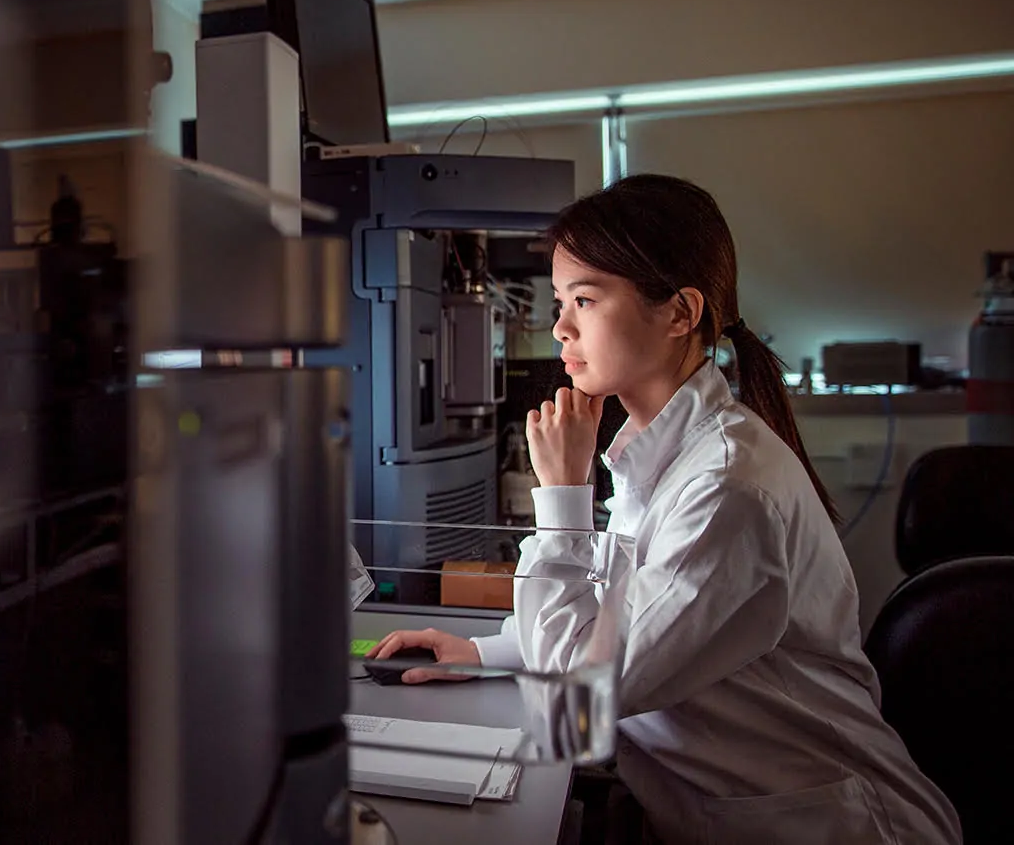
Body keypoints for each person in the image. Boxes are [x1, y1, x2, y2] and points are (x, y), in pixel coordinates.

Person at [368, 175, 960, 844]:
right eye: (561, 300)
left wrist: (561, 497)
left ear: (679, 313)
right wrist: (483, 650)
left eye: (585, 300)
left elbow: (576, 709)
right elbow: (619, 627)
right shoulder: (660, 458)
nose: (559, 326)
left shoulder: (727, 490)